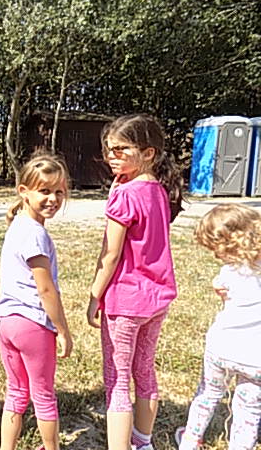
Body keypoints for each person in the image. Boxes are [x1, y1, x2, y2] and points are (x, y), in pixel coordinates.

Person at [86, 114, 184, 450]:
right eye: (109, 150)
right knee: (144, 372)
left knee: (116, 381)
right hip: (157, 299)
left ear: (148, 153)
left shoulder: (126, 195)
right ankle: (143, 442)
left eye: (120, 149)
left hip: (125, 302)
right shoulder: (159, 190)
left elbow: (110, 253)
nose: (111, 156)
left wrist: (94, 295)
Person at [0, 152, 73, 450]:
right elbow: (46, 289)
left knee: (16, 392)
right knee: (44, 395)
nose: (53, 199)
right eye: (45, 191)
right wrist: (63, 330)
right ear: (23, 192)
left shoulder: (17, 225)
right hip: (32, 325)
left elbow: (8, 276)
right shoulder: (36, 234)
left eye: (59, 192)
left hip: (6, 322)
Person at [175, 203, 261, 450]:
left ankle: (190, 440)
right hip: (255, 358)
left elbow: (222, 287)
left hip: (221, 348)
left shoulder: (227, 274)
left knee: (207, 395)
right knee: (248, 410)